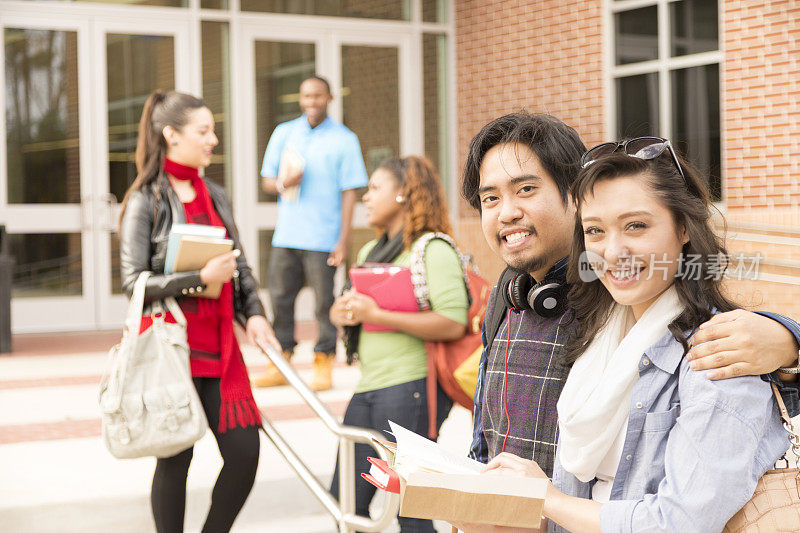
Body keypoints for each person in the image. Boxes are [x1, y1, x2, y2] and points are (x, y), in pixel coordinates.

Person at [461, 112, 800, 476]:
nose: (507, 212)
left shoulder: (620, 291)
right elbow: (484, 432)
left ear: (576, 199)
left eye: (526, 189)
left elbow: (712, 333)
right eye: (491, 198)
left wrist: (788, 341)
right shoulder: (505, 298)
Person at [119, 90, 280, 533]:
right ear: (171, 135)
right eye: (203, 131)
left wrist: (256, 314)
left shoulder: (216, 194)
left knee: (245, 454)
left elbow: (239, 264)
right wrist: (198, 277)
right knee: (176, 461)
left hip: (221, 353)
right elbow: (133, 283)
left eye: (213, 130)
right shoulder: (145, 200)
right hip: (173, 351)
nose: (213, 139)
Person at [328, 156, 469, 532]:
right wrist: (342, 313)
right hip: (370, 387)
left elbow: (453, 323)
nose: (366, 198)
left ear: (404, 193)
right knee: (345, 499)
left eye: (375, 188)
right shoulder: (368, 253)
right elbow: (352, 312)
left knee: (410, 507)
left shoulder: (431, 249)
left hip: (411, 389)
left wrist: (376, 314)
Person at [254, 75, 369, 391]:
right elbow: (267, 179)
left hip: (324, 237)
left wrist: (343, 239)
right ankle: (281, 360)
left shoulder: (345, 139)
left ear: (329, 97)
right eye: (306, 96)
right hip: (286, 236)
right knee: (280, 299)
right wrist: (282, 184)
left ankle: (324, 360)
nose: (312, 101)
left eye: (318, 95)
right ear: (300, 98)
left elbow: (349, 193)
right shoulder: (284, 133)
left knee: (323, 303)